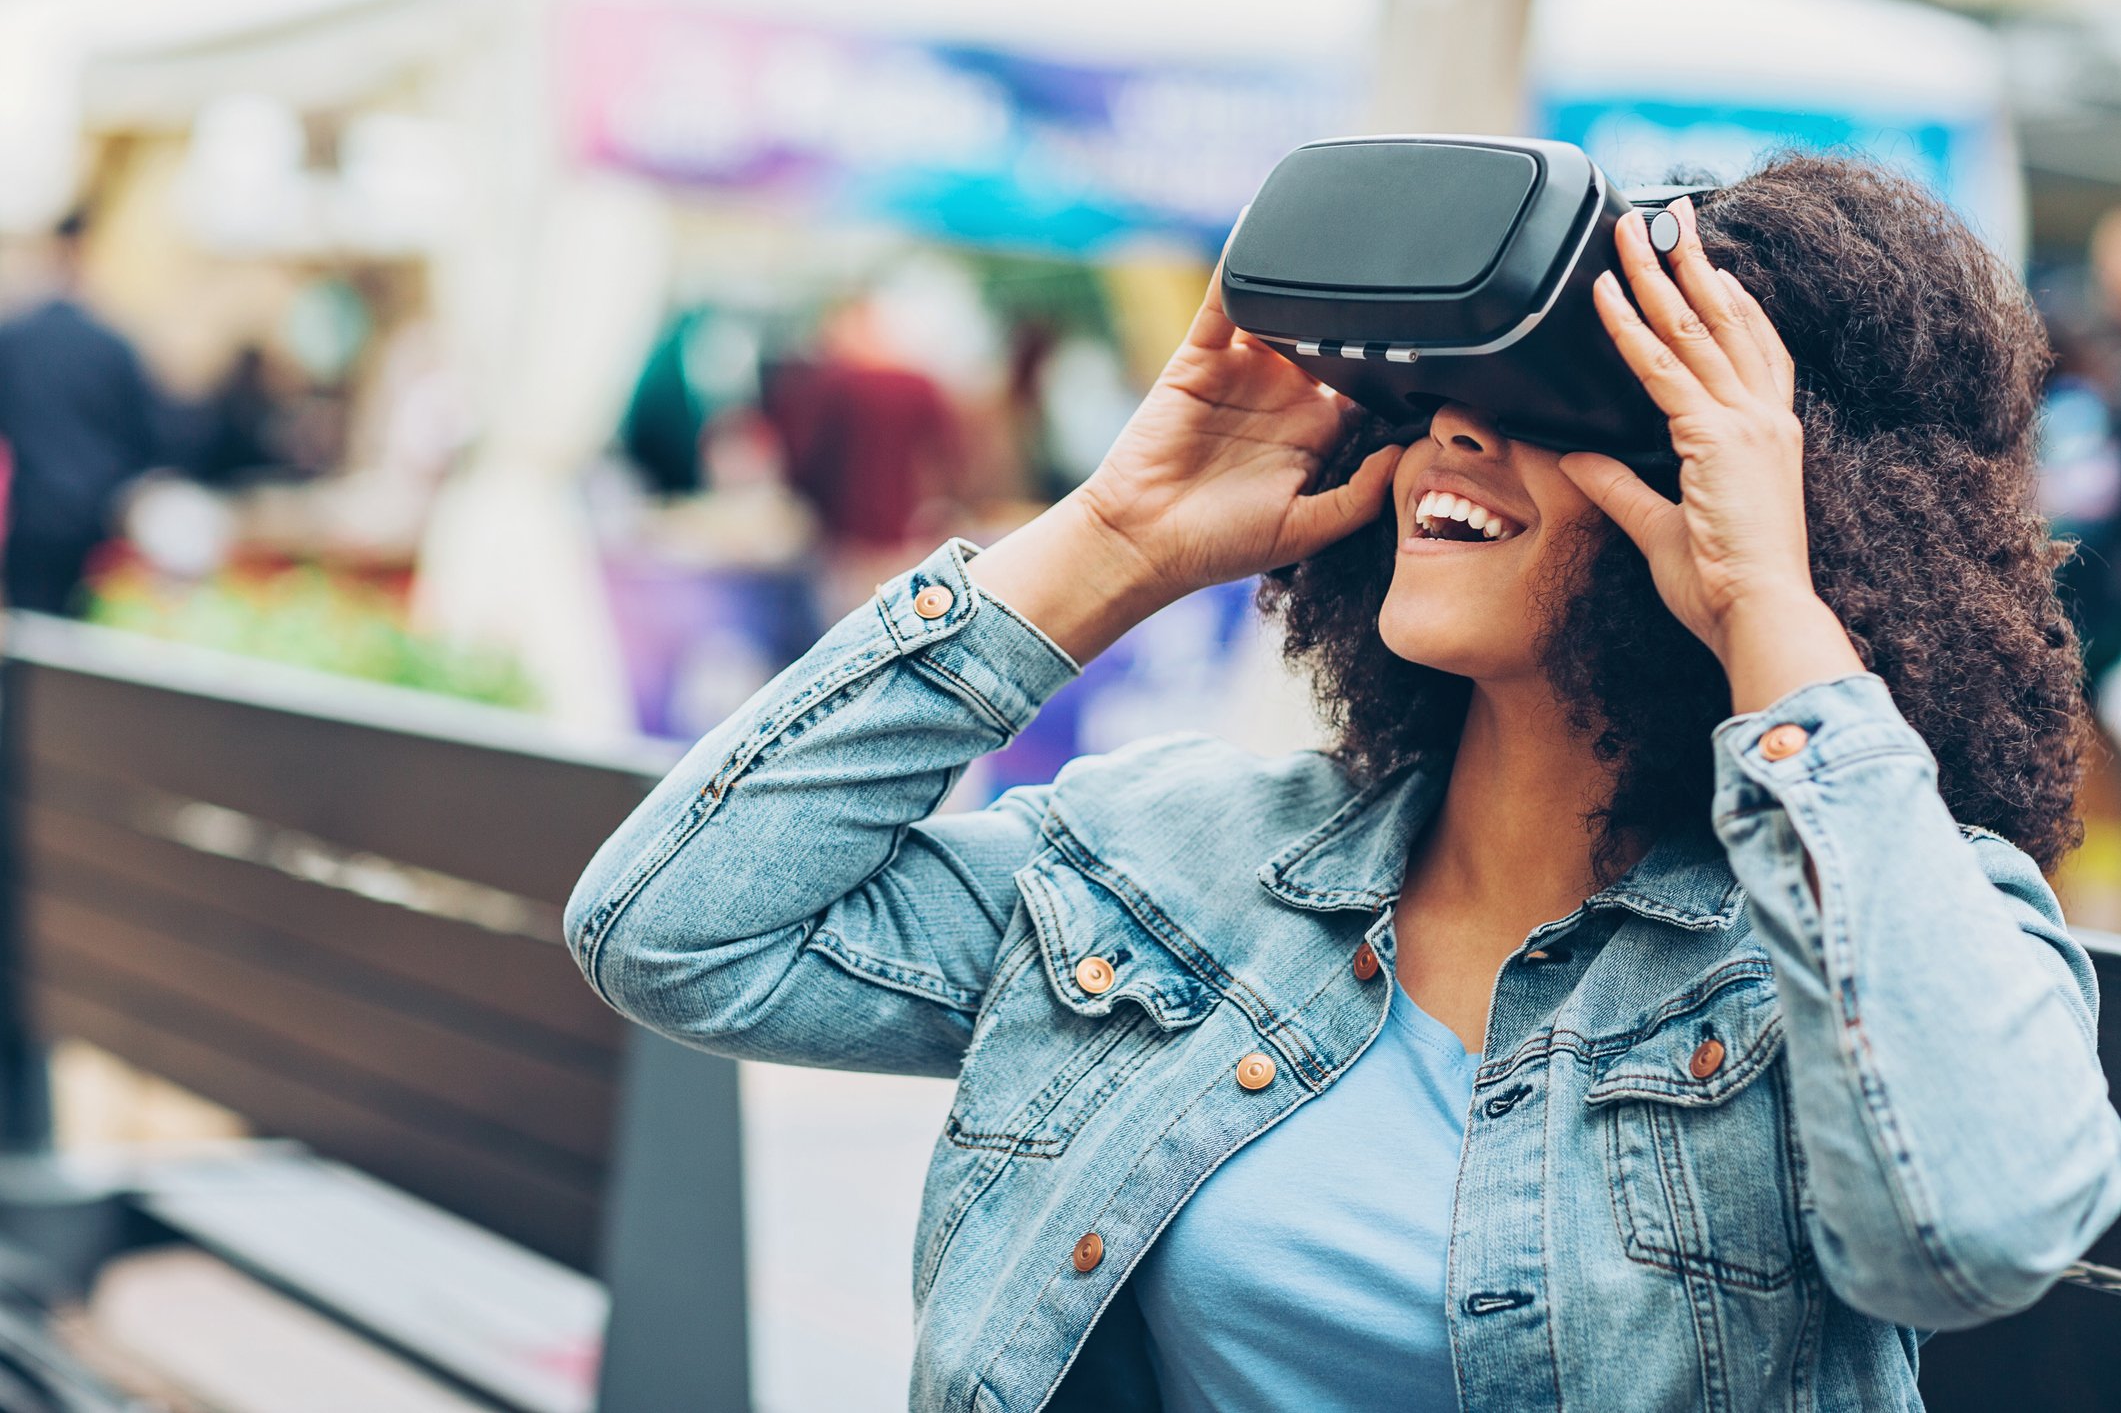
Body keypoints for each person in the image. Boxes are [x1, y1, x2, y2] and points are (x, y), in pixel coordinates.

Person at [565, 154, 2121, 1411]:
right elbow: (674, 929)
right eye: (1441, 387)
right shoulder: (1172, 867)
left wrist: (1773, 617)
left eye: (1563, 401)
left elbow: (1966, 1226)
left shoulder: (1889, 925)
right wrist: (1110, 540)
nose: (1457, 425)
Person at [0, 210, 158, 614]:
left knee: (29, 635)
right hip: (93, 518)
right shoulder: (115, 346)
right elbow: (146, 438)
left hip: (30, 515)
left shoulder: (15, 339)